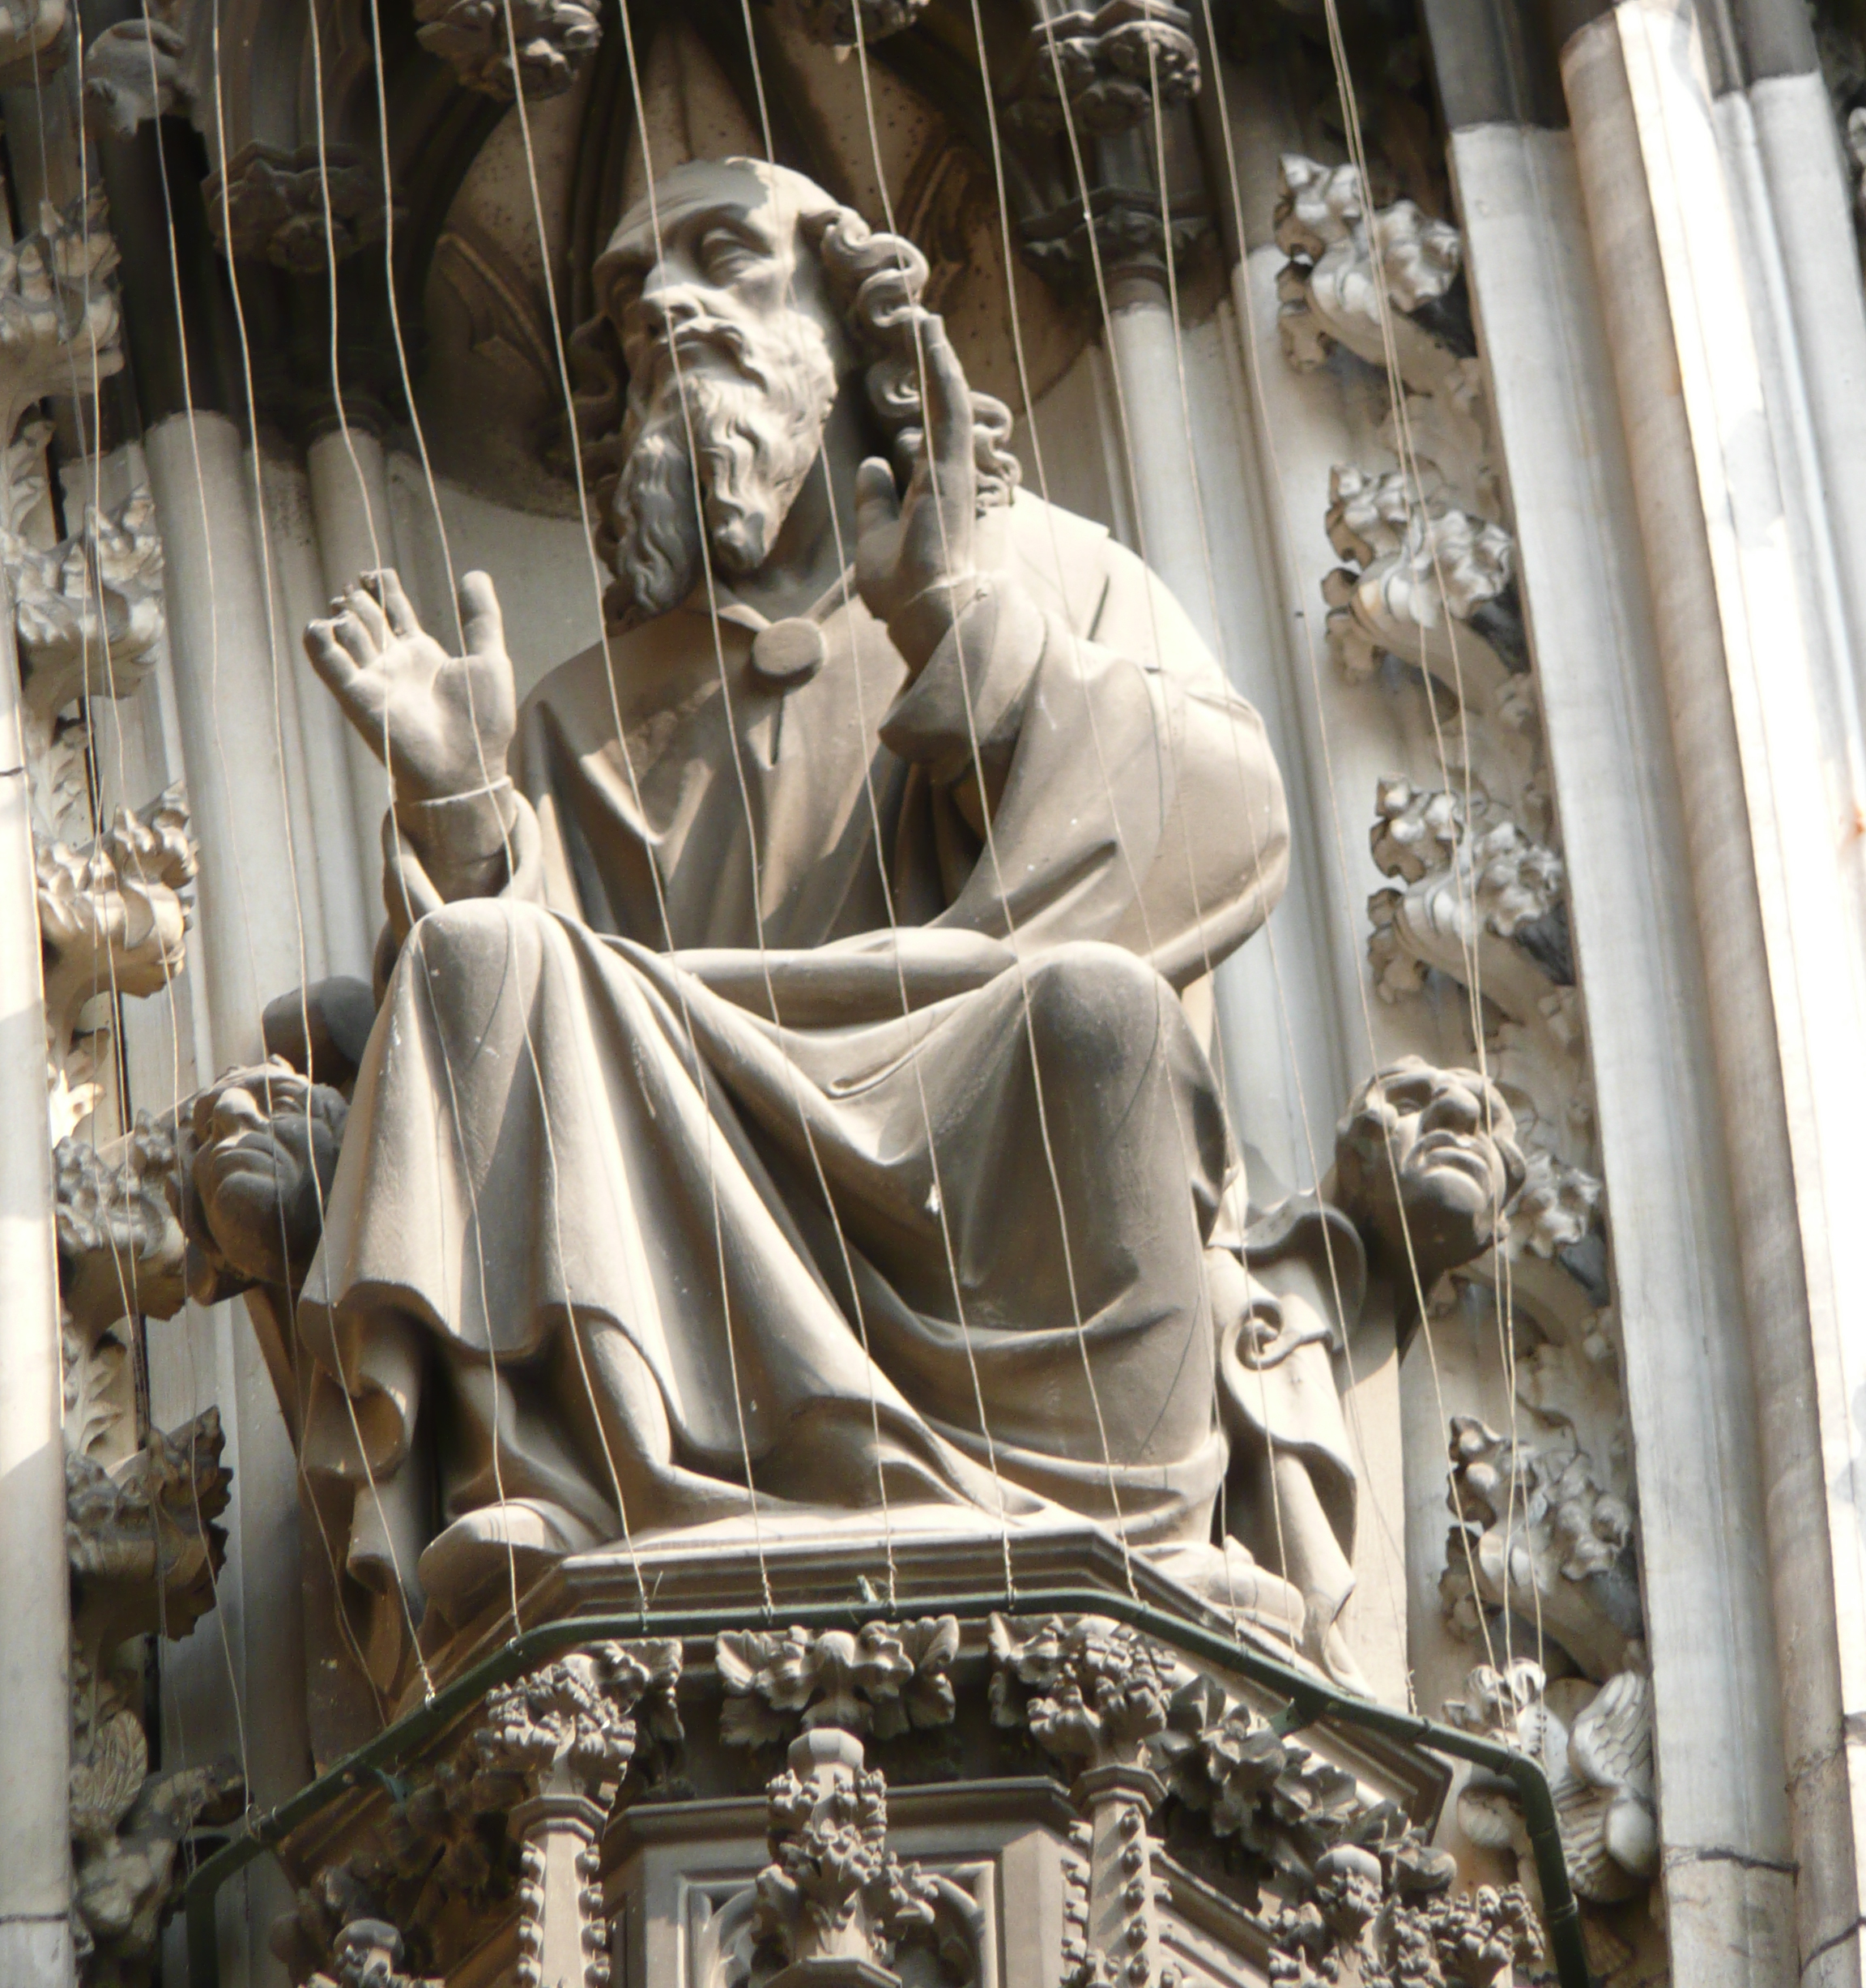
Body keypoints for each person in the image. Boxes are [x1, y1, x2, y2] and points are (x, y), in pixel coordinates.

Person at [295, 156, 1305, 1692]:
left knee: (1096, 1016)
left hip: (959, 1137)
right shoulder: (573, 719)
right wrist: (458, 806)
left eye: (721, 260)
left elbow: (1230, 824)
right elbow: (511, 1046)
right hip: (685, 1176)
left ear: (851, 322)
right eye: (631, 309)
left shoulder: (1044, 569)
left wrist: (957, 625)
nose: (668, 314)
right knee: (473, 958)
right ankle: (575, 1494)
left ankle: (1135, 1539)